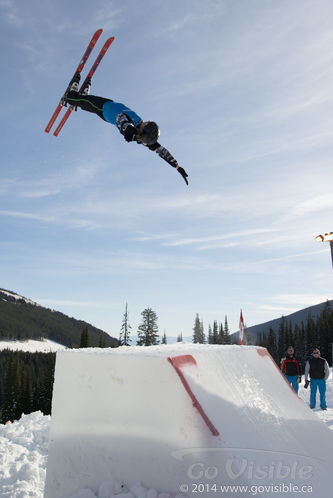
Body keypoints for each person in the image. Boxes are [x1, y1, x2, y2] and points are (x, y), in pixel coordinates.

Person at [63, 74, 189, 185]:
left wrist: (128, 131)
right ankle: (82, 97)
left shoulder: (131, 127)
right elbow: (162, 151)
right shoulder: (143, 135)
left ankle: (71, 97)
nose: (147, 120)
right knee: (86, 102)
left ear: (144, 129)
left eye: (148, 123)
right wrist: (177, 167)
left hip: (102, 108)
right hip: (110, 103)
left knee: (77, 100)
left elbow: (122, 122)